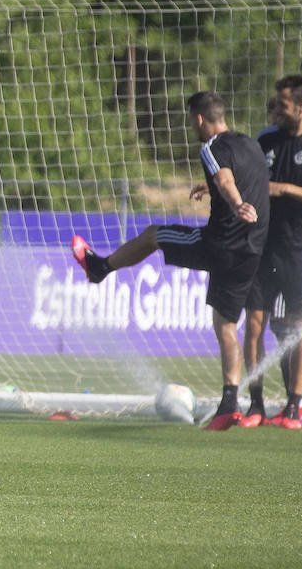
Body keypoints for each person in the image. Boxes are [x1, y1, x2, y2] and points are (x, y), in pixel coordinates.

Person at [71, 91, 270, 431]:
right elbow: (241, 179)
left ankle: (100, 268)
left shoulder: (211, 148)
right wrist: (215, 188)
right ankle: (231, 404)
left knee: (153, 235)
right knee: (227, 324)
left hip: (220, 244)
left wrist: (235, 203)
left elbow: (226, 180)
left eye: (191, 121)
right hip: (253, 249)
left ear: (199, 119)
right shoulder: (250, 145)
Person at [240, 76, 302, 429]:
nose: (276, 109)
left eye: (283, 105)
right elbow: (247, 183)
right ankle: (256, 405)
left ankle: (295, 406)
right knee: (256, 324)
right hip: (263, 245)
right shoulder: (265, 140)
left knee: (296, 325)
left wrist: (285, 189)